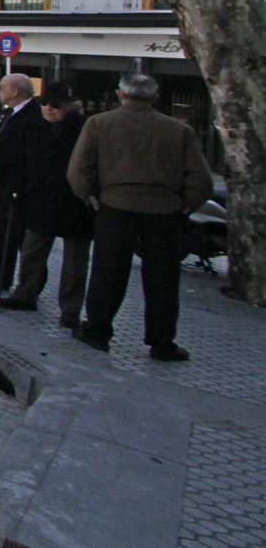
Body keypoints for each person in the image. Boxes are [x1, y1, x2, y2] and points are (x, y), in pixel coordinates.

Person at [68, 73, 212, 362]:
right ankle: (162, 342)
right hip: (164, 212)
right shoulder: (178, 130)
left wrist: (90, 197)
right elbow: (201, 178)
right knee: (163, 279)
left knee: (108, 272)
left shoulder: (99, 123)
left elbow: (78, 169)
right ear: (155, 98)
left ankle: (97, 331)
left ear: (120, 95)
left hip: (115, 207)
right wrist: (185, 206)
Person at [0, 83, 94, 326]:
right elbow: (17, 159)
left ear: (70, 105)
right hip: (38, 198)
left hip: (75, 201)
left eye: (56, 105)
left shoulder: (85, 128)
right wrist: (13, 186)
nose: (49, 109)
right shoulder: (32, 126)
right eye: (44, 104)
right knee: (31, 249)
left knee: (75, 260)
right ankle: (25, 293)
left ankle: (70, 309)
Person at [0, 73, 44, 292]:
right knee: (0, 234)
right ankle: (0, 276)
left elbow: (23, 154)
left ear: (14, 91)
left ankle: (30, 285)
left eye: (2, 87)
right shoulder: (12, 113)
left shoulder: (33, 116)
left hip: (18, 189)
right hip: (2, 186)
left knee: (23, 239)